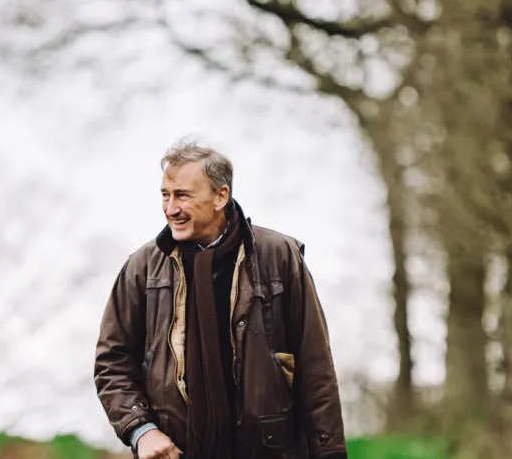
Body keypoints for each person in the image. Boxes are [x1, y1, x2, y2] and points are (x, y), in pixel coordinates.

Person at [95, 140, 347, 459]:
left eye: (182, 195)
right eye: (165, 195)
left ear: (220, 196)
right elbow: (112, 361)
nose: (171, 208)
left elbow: (315, 365)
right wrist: (141, 430)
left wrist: (330, 452)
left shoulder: (279, 256)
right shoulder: (142, 266)